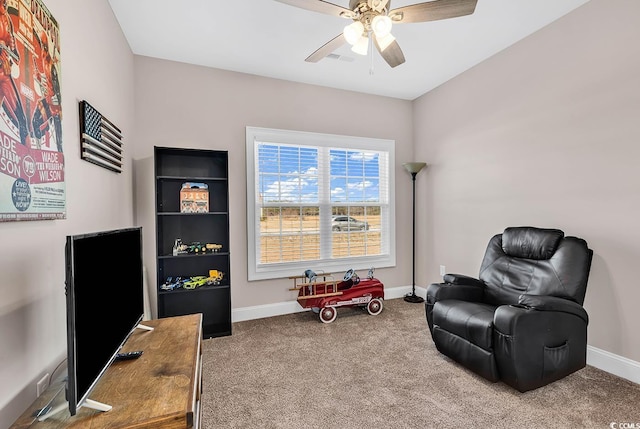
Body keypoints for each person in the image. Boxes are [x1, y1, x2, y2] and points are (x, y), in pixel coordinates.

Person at [0, 0, 29, 145]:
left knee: (22, 119)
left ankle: (28, 156)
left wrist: (9, 52)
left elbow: (15, 53)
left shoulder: (6, 19)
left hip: (4, 73)